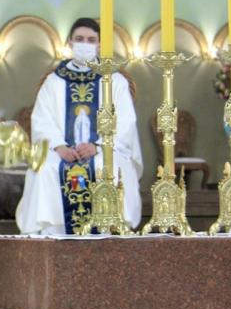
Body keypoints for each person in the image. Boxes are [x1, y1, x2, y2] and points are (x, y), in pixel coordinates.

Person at [16, 17, 142, 235]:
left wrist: (99, 146)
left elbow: (125, 123)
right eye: (80, 39)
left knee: (108, 167)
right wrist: (59, 146)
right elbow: (42, 120)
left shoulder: (114, 80)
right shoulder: (54, 81)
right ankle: (53, 230)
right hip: (62, 152)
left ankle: (109, 228)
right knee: (45, 168)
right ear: (70, 43)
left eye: (91, 40)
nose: (85, 44)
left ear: (100, 44)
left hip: (104, 150)